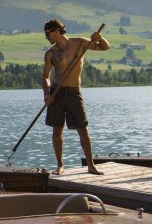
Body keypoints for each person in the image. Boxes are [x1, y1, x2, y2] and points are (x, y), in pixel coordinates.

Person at [41, 19, 110, 175]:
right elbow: (45, 76)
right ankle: (60, 165)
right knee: (57, 130)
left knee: (83, 129)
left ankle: (91, 166)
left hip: (74, 92)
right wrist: (46, 93)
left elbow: (105, 48)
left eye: (48, 34)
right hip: (56, 93)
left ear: (57, 31)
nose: (46, 37)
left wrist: (100, 38)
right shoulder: (50, 53)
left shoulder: (80, 43)